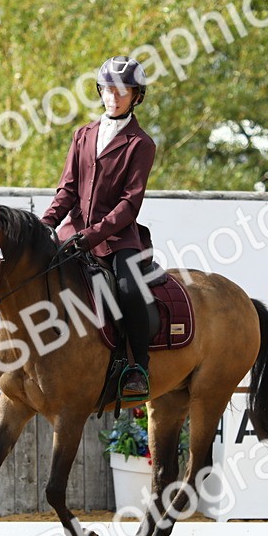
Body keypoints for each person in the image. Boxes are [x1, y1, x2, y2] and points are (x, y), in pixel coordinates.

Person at [41, 55, 158, 399]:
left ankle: (137, 367)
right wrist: (47, 223)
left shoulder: (141, 144)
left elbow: (129, 204)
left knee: (130, 290)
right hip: (72, 233)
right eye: (108, 89)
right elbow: (67, 189)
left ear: (136, 97)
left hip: (118, 239)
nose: (113, 96)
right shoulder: (82, 134)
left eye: (122, 91)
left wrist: (92, 235)